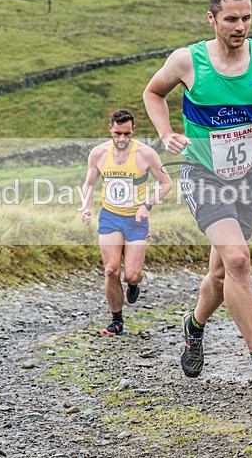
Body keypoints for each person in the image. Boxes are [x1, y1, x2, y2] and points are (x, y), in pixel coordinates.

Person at [142, 0, 252, 392]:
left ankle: (193, 325)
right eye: (231, 19)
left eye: (247, 17)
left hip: (247, 178)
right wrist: (166, 133)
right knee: (238, 260)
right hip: (202, 174)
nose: (240, 26)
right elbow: (153, 93)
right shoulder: (187, 61)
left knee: (220, 274)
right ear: (212, 18)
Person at [80, 110, 172, 336]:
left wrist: (147, 205)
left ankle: (133, 284)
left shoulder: (146, 154)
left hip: (136, 220)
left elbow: (166, 183)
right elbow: (89, 184)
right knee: (111, 270)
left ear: (133, 131)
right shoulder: (98, 153)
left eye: (127, 134)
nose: (122, 139)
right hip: (110, 217)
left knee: (131, 274)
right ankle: (117, 321)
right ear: (110, 129)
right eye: (118, 133)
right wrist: (86, 207)